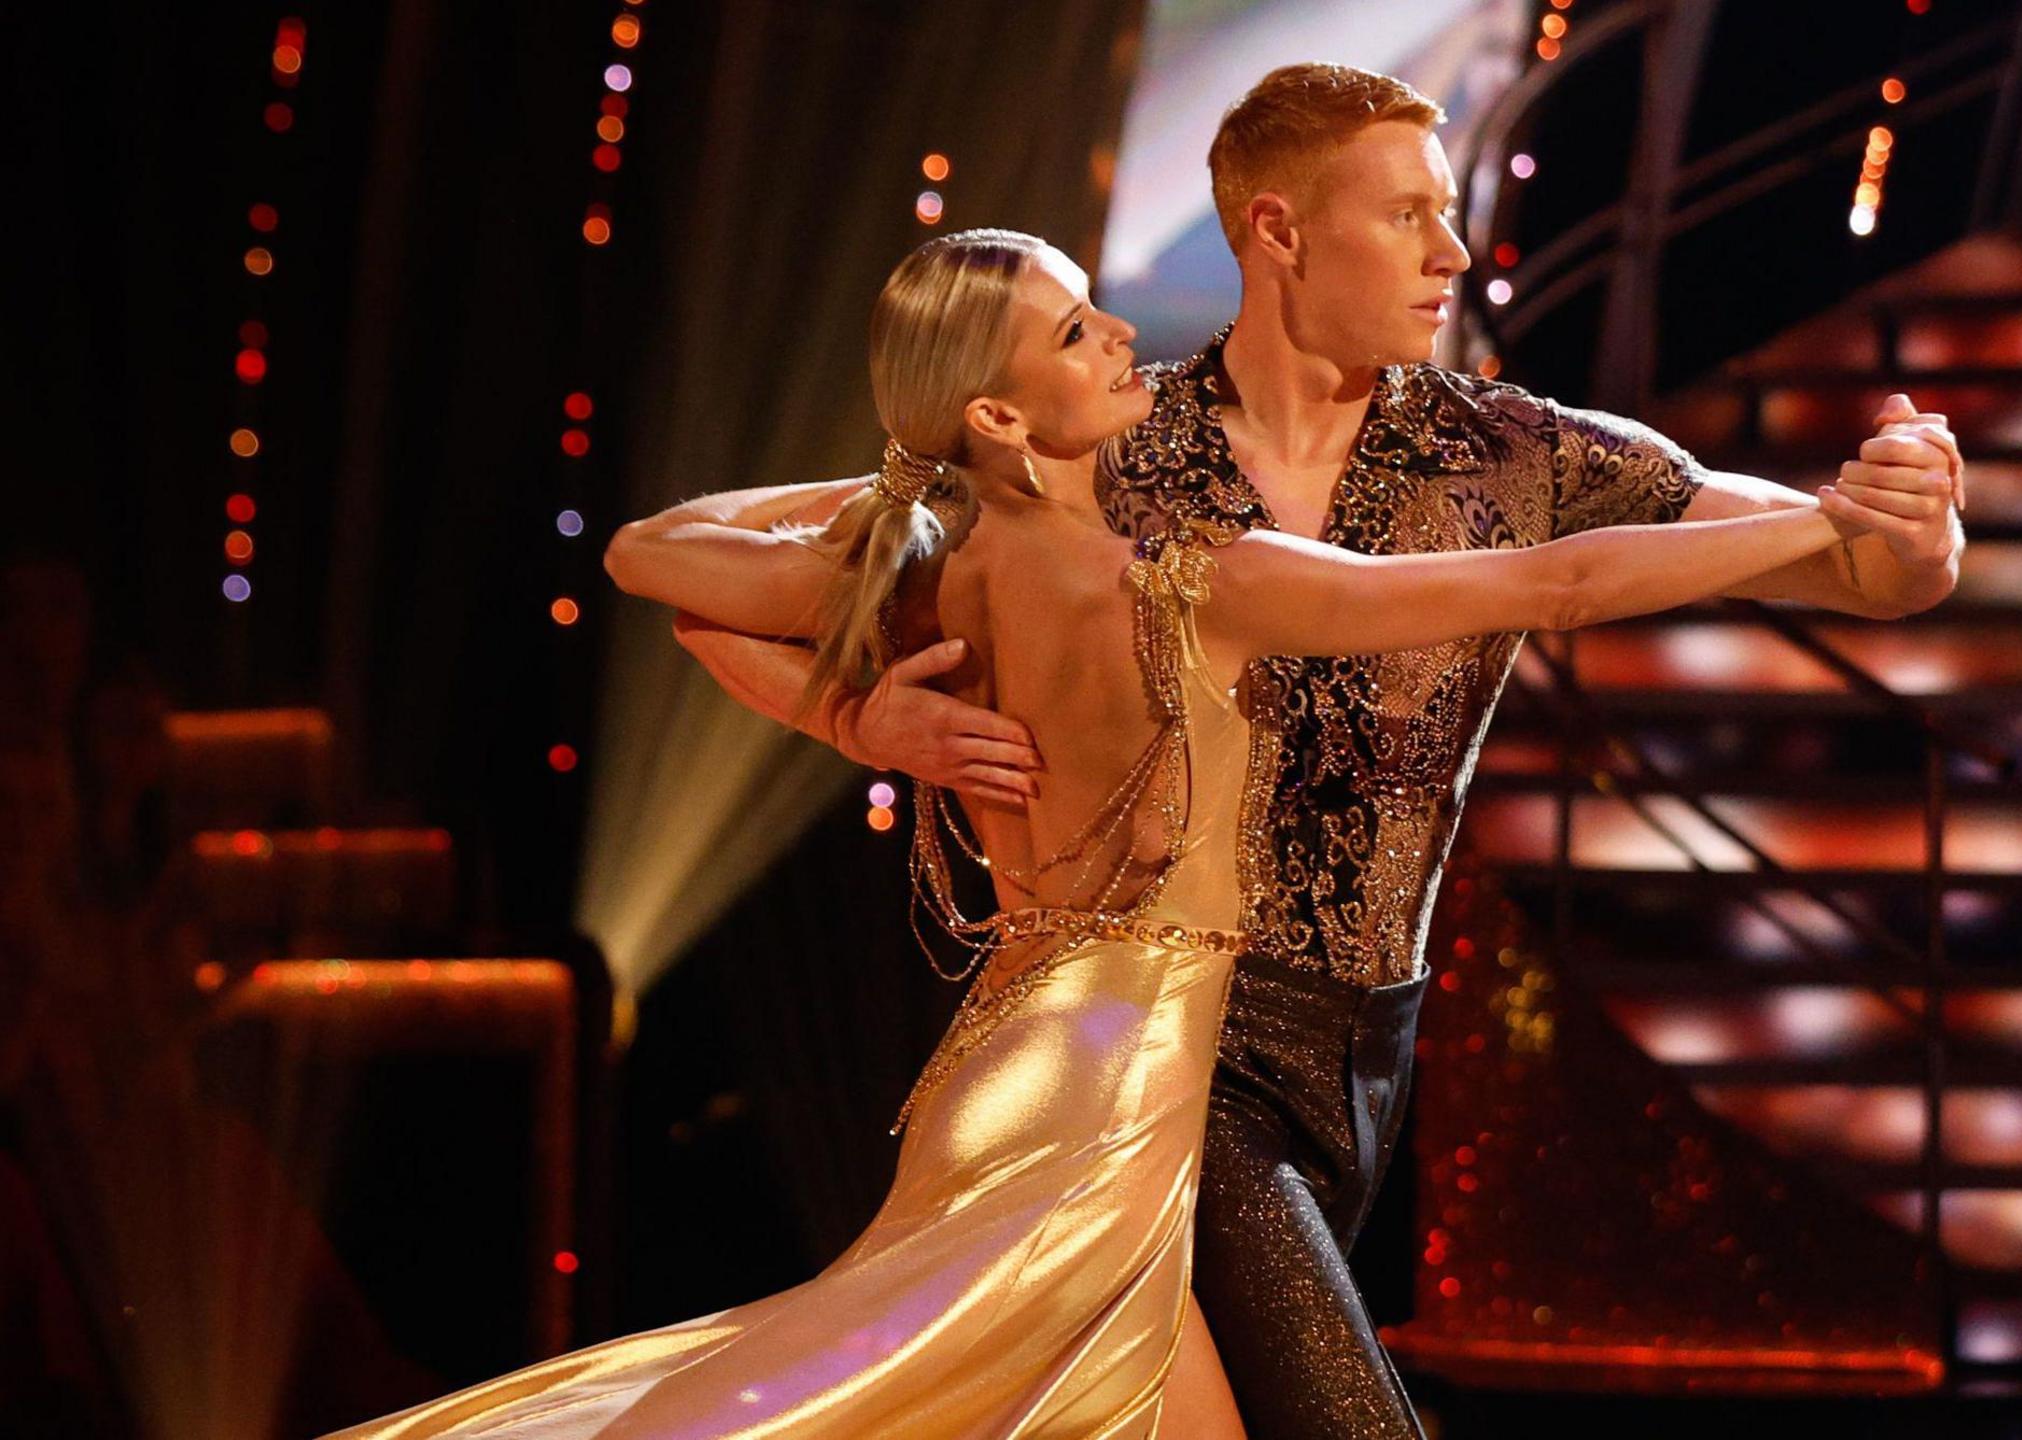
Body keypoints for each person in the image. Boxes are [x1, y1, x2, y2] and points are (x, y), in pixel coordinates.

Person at [330, 223, 1876, 1437]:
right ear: (1008, 406)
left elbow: (653, 559)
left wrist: (878, 638)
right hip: (1121, 1083)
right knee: (843, 1389)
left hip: (1010, 1055)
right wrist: (1825, 524)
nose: (1124, 329)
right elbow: (1553, 582)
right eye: (1078, 328)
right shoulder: (1195, 582)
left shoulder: (930, 579)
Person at [622, 64, 1965, 1440]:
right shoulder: (1103, 436)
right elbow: (740, 568)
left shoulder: (1513, 451)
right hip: (1161, 1039)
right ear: (1278, 233)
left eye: (1446, 215)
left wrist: (1907, 527)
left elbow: (1868, 576)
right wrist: (858, 719)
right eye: (1407, 217)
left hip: (1366, 1044)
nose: (1453, 253)